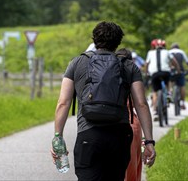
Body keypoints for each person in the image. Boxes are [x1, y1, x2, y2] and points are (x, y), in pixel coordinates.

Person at [51, 21, 156, 181]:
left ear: (94, 39)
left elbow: (63, 103)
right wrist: (148, 141)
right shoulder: (129, 67)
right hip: (119, 136)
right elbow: (141, 104)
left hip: (88, 135)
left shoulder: (77, 63)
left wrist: (58, 137)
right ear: (118, 42)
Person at [116, 48, 143, 181]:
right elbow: (141, 104)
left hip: (110, 123)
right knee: (133, 166)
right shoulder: (132, 71)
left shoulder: (107, 74)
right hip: (132, 123)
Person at [144, 39, 180, 114]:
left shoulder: (150, 52)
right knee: (168, 81)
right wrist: (178, 71)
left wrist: (146, 73)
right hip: (165, 73)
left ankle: (155, 109)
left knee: (154, 91)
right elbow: (175, 62)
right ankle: (169, 94)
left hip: (154, 74)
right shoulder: (167, 52)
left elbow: (146, 64)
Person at [169, 43, 188, 109]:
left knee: (170, 82)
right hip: (181, 70)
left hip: (171, 70)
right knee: (182, 86)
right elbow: (187, 62)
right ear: (178, 48)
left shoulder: (169, 52)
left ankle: (170, 92)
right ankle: (182, 103)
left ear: (172, 48)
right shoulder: (182, 52)